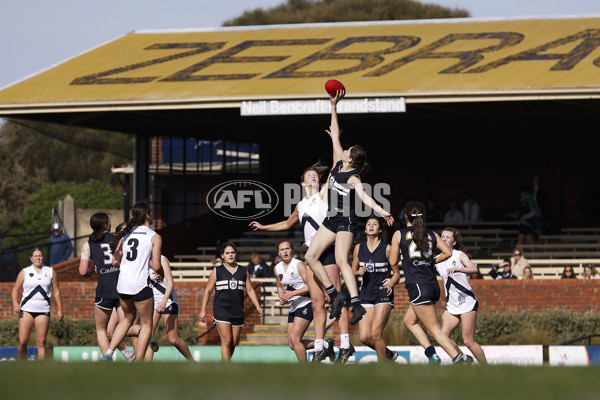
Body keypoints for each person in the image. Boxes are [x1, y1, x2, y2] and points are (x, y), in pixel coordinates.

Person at [303, 89, 394, 329]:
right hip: (332, 219)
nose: (345, 148)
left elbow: (365, 198)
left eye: (349, 149)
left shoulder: (353, 177)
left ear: (352, 159)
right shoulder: (336, 165)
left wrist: (383, 211)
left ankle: (357, 303)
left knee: (343, 261)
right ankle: (335, 295)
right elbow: (334, 133)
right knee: (310, 257)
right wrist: (333, 106)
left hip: (346, 222)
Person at [248, 159, 353, 363]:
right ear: (303, 183)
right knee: (317, 302)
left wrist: (334, 142)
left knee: (335, 299)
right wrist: (263, 227)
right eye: (309, 175)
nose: (314, 176)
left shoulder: (324, 194)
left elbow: (334, 167)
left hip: (327, 250)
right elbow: (287, 223)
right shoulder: (301, 204)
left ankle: (346, 345)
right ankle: (320, 347)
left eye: (316, 175)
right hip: (311, 255)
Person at [389, 201, 471, 364]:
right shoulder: (432, 234)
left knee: (434, 330)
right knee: (409, 321)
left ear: (405, 216)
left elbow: (392, 260)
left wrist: (398, 269)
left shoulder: (399, 234)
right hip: (432, 285)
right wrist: (431, 261)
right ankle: (431, 354)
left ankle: (459, 358)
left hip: (418, 285)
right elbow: (447, 252)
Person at [100, 202, 163, 362]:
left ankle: (108, 352)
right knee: (147, 325)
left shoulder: (125, 235)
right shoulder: (154, 236)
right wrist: (159, 272)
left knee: (127, 319)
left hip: (122, 286)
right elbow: (156, 265)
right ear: (148, 215)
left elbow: (115, 261)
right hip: (140, 285)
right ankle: (139, 363)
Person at [78, 213, 138, 361]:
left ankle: (108, 361)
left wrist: (93, 270)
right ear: (106, 225)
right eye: (109, 221)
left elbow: (83, 271)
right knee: (127, 325)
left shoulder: (88, 245)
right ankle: (144, 334)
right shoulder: (118, 239)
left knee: (101, 329)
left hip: (104, 290)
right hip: (122, 288)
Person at [199, 242, 263, 362]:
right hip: (221, 310)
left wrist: (257, 306)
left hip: (237, 310)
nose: (230, 255)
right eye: (227, 253)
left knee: (233, 343)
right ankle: (227, 369)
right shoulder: (217, 271)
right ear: (222, 255)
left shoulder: (244, 271)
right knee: (227, 340)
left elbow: (249, 289)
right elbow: (207, 291)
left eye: (232, 252)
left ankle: (224, 363)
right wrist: (203, 310)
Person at [352, 217, 401, 362]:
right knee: (364, 337)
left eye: (375, 224)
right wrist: (357, 271)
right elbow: (352, 270)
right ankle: (388, 354)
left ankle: (382, 368)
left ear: (379, 230)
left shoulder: (388, 249)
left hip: (383, 293)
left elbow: (397, 273)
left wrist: (391, 282)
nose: (371, 226)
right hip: (366, 293)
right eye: (368, 224)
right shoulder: (358, 248)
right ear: (366, 229)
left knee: (375, 334)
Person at [436, 227, 487, 364]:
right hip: (452, 305)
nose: (444, 239)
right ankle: (463, 358)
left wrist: (459, 269)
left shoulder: (459, 255)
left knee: (468, 341)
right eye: (442, 236)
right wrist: (397, 280)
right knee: (441, 335)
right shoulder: (437, 260)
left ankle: (487, 368)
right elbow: (421, 274)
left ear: (454, 241)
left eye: (448, 237)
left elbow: (474, 269)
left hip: (467, 303)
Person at [11, 248, 63, 360]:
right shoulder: (24, 272)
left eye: (39, 255)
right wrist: (15, 304)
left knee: (41, 342)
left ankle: (41, 370)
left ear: (42, 257)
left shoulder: (50, 271)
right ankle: (20, 364)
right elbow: (15, 289)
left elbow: (57, 291)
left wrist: (60, 309)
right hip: (26, 310)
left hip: (43, 310)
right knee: (22, 342)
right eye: (35, 256)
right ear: (31, 258)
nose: (38, 258)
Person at [145, 255, 194, 361]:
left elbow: (170, 282)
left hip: (167, 302)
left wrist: (164, 301)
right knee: (149, 336)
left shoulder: (161, 259)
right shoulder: (142, 259)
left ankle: (192, 361)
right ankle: (146, 368)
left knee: (173, 339)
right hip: (152, 303)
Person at [274, 240, 314, 363]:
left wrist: (292, 293)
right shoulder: (277, 268)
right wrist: (282, 297)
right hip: (293, 306)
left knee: (295, 340)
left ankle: (304, 371)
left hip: (305, 302)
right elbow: (280, 286)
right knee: (292, 344)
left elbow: (311, 286)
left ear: (292, 250)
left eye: (287, 248)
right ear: (278, 253)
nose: (285, 251)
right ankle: (322, 344)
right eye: (282, 249)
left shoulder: (299, 264)